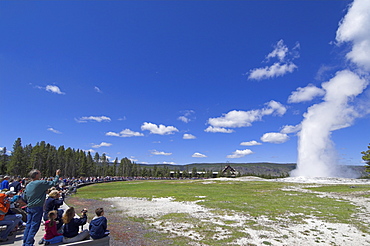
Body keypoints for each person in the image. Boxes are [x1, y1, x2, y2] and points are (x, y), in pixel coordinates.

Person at [22, 169, 60, 246]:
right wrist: (57, 175)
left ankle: (25, 242)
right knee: (34, 227)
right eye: (39, 173)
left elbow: (24, 197)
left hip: (29, 207)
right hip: (37, 207)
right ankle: (28, 244)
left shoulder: (29, 184)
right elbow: (53, 183)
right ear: (36, 175)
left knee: (28, 226)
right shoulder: (40, 183)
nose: (41, 174)